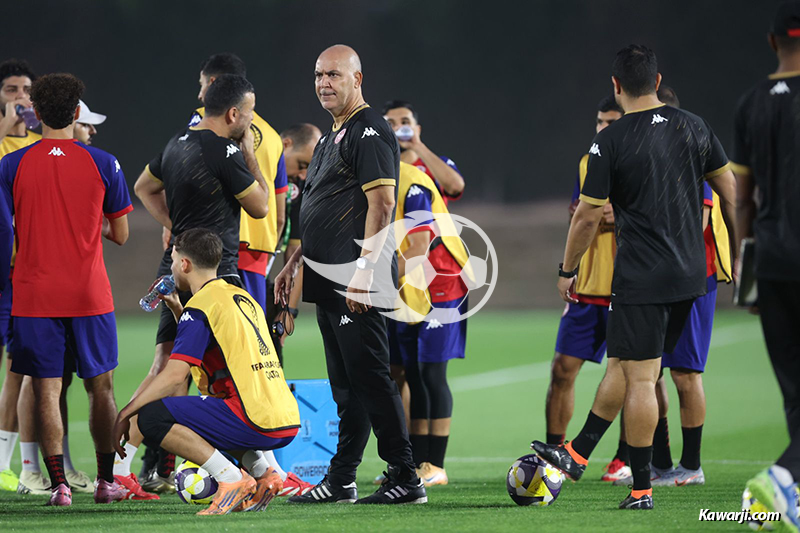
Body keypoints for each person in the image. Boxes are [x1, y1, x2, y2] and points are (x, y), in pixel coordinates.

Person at [531, 44, 737, 510]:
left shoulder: (612, 139)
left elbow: (586, 216)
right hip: (690, 278)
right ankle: (578, 452)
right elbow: (728, 187)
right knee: (626, 366)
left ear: (616, 86)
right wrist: (737, 249)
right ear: (658, 81)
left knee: (642, 378)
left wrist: (568, 270)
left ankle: (641, 488)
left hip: (642, 276)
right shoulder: (695, 126)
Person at [274, 44, 425, 505]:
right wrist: (294, 263)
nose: (324, 82)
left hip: (355, 279)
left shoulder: (370, 130)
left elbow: (380, 204)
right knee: (347, 385)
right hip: (327, 278)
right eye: (319, 74)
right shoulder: (329, 138)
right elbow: (318, 207)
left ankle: (406, 476)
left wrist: (362, 273)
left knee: (372, 377)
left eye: (335, 75)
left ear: (357, 79)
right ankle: (341, 480)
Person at [119, 73, 269, 497]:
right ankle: (257, 470)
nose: (252, 120)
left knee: (168, 367)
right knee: (234, 371)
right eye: (250, 112)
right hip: (213, 273)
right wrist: (250, 157)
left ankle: (118, 468)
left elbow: (144, 188)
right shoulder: (224, 149)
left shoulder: (176, 143)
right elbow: (259, 207)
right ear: (234, 113)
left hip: (177, 266)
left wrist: (173, 227)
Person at [0, 73, 133, 506]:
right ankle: (104, 483)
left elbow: (5, 233)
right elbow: (122, 234)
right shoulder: (104, 162)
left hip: (33, 295)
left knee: (46, 389)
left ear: (35, 114)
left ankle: (58, 486)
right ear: (77, 113)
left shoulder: (10, 165)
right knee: (102, 389)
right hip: (89, 294)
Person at [113, 229, 300, 515]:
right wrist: (178, 309)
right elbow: (210, 353)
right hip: (284, 418)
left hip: (251, 419)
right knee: (201, 414)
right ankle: (265, 474)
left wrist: (126, 412)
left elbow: (176, 375)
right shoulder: (240, 297)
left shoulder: (200, 307)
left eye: (173, 259)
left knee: (151, 416)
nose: (171, 266)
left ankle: (230, 478)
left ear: (185, 264)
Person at [613, 85, 733, 488]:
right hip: (660, 277)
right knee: (651, 374)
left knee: (685, 373)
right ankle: (661, 465)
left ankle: (692, 464)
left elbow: (699, 221)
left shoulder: (687, 153)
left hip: (694, 277)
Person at [736, 3, 800, 529]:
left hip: (774, 262)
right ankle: (781, 477)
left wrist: (747, 265)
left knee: (795, 390)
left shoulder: (751, 103)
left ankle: (789, 497)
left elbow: (744, 198)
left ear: (771, 41)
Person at [545, 95, 630, 484]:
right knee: (562, 369)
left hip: (629, 286)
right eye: (599, 122)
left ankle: (623, 458)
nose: (603, 129)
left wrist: (614, 212)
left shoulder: (640, 160)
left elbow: (600, 213)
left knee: (635, 375)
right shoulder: (588, 162)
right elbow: (586, 215)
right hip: (589, 284)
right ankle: (554, 452)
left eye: (612, 122)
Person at [391, 161, 470, 487]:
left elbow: (421, 246)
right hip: (411, 286)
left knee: (432, 372)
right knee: (412, 372)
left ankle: (436, 464)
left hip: (441, 283)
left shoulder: (413, 182)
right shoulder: (374, 179)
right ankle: (419, 464)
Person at [0, 58, 40, 494]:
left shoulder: (33, 146)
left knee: (19, 369)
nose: (19, 97)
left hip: (21, 273)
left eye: (25, 89)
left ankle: (4, 464)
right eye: (11, 89)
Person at [268, 123, 322, 365]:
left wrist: (287, 311)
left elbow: (295, 254)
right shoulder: (249, 166)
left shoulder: (297, 188)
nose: (302, 175)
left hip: (262, 283)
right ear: (286, 144)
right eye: (301, 165)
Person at [382, 100, 464, 205]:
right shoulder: (378, 168)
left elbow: (455, 187)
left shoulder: (437, 164)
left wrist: (417, 145)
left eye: (405, 122)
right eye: (390, 124)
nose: (397, 128)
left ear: (417, 130)